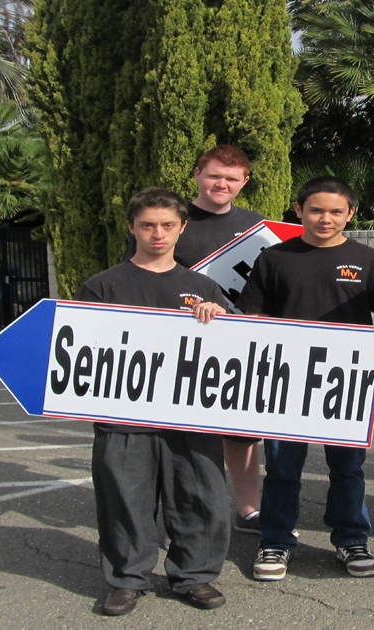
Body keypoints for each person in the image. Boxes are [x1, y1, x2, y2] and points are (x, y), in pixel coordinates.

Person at [77, 188, 230, 615]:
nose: (157, 233)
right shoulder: (103, 285)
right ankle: (127, 579)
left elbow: (231, 355)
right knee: (124, 497)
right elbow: (82, 351)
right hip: (123, 419)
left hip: (192, 418)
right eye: (147, 225)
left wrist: (220, 320)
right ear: (131, 227)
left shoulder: (203, 287)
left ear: (182, 227)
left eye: (166, 225)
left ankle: (194, 577)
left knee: (200, 497)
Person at [236, 176, 374, 581]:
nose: (326, 218)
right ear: (298, 210)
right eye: (317, 210)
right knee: (283, 467)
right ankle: (275, 542)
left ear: (351, 214)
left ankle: (351, 538)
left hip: (349, 381)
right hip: (287, 378)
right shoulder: (274, 259)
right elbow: (251, 317)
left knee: (348, 467)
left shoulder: (370, 260)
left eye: (336, 211)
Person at [125, 145, 267, 535]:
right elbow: (139, 277)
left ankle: (249, 510)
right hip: (178, 346)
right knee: (177, 437)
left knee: (243, 431)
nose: (221, 184)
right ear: (197, 175)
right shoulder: (171, 220)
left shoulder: (257, 225)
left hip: (237, 343)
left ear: (244, 182)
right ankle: (173, 519)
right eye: (213, 175)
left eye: (232, 178)